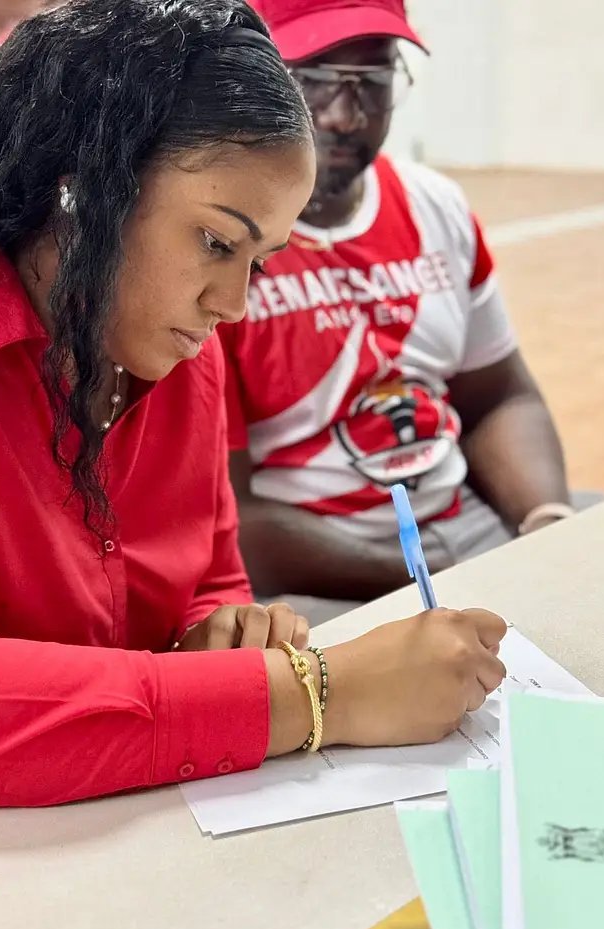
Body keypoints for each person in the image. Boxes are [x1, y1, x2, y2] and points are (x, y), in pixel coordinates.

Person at [0, 0, 506, 839]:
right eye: (218, 244)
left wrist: (222, 630)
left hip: (102, 810)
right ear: (81, 190)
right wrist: (319, 693)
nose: (234, 304)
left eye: (260, 261)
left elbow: (206, 578)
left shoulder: (179, 348)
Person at [222, 0, 578, 625]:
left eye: (373, 82)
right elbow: (221, 515)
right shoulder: (222, 242)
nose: (343, 115)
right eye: (314, 80)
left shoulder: (432, 205)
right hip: (309, 575)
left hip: (466, 530)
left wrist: (545, 521)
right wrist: (431, 579)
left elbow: (499, 395)